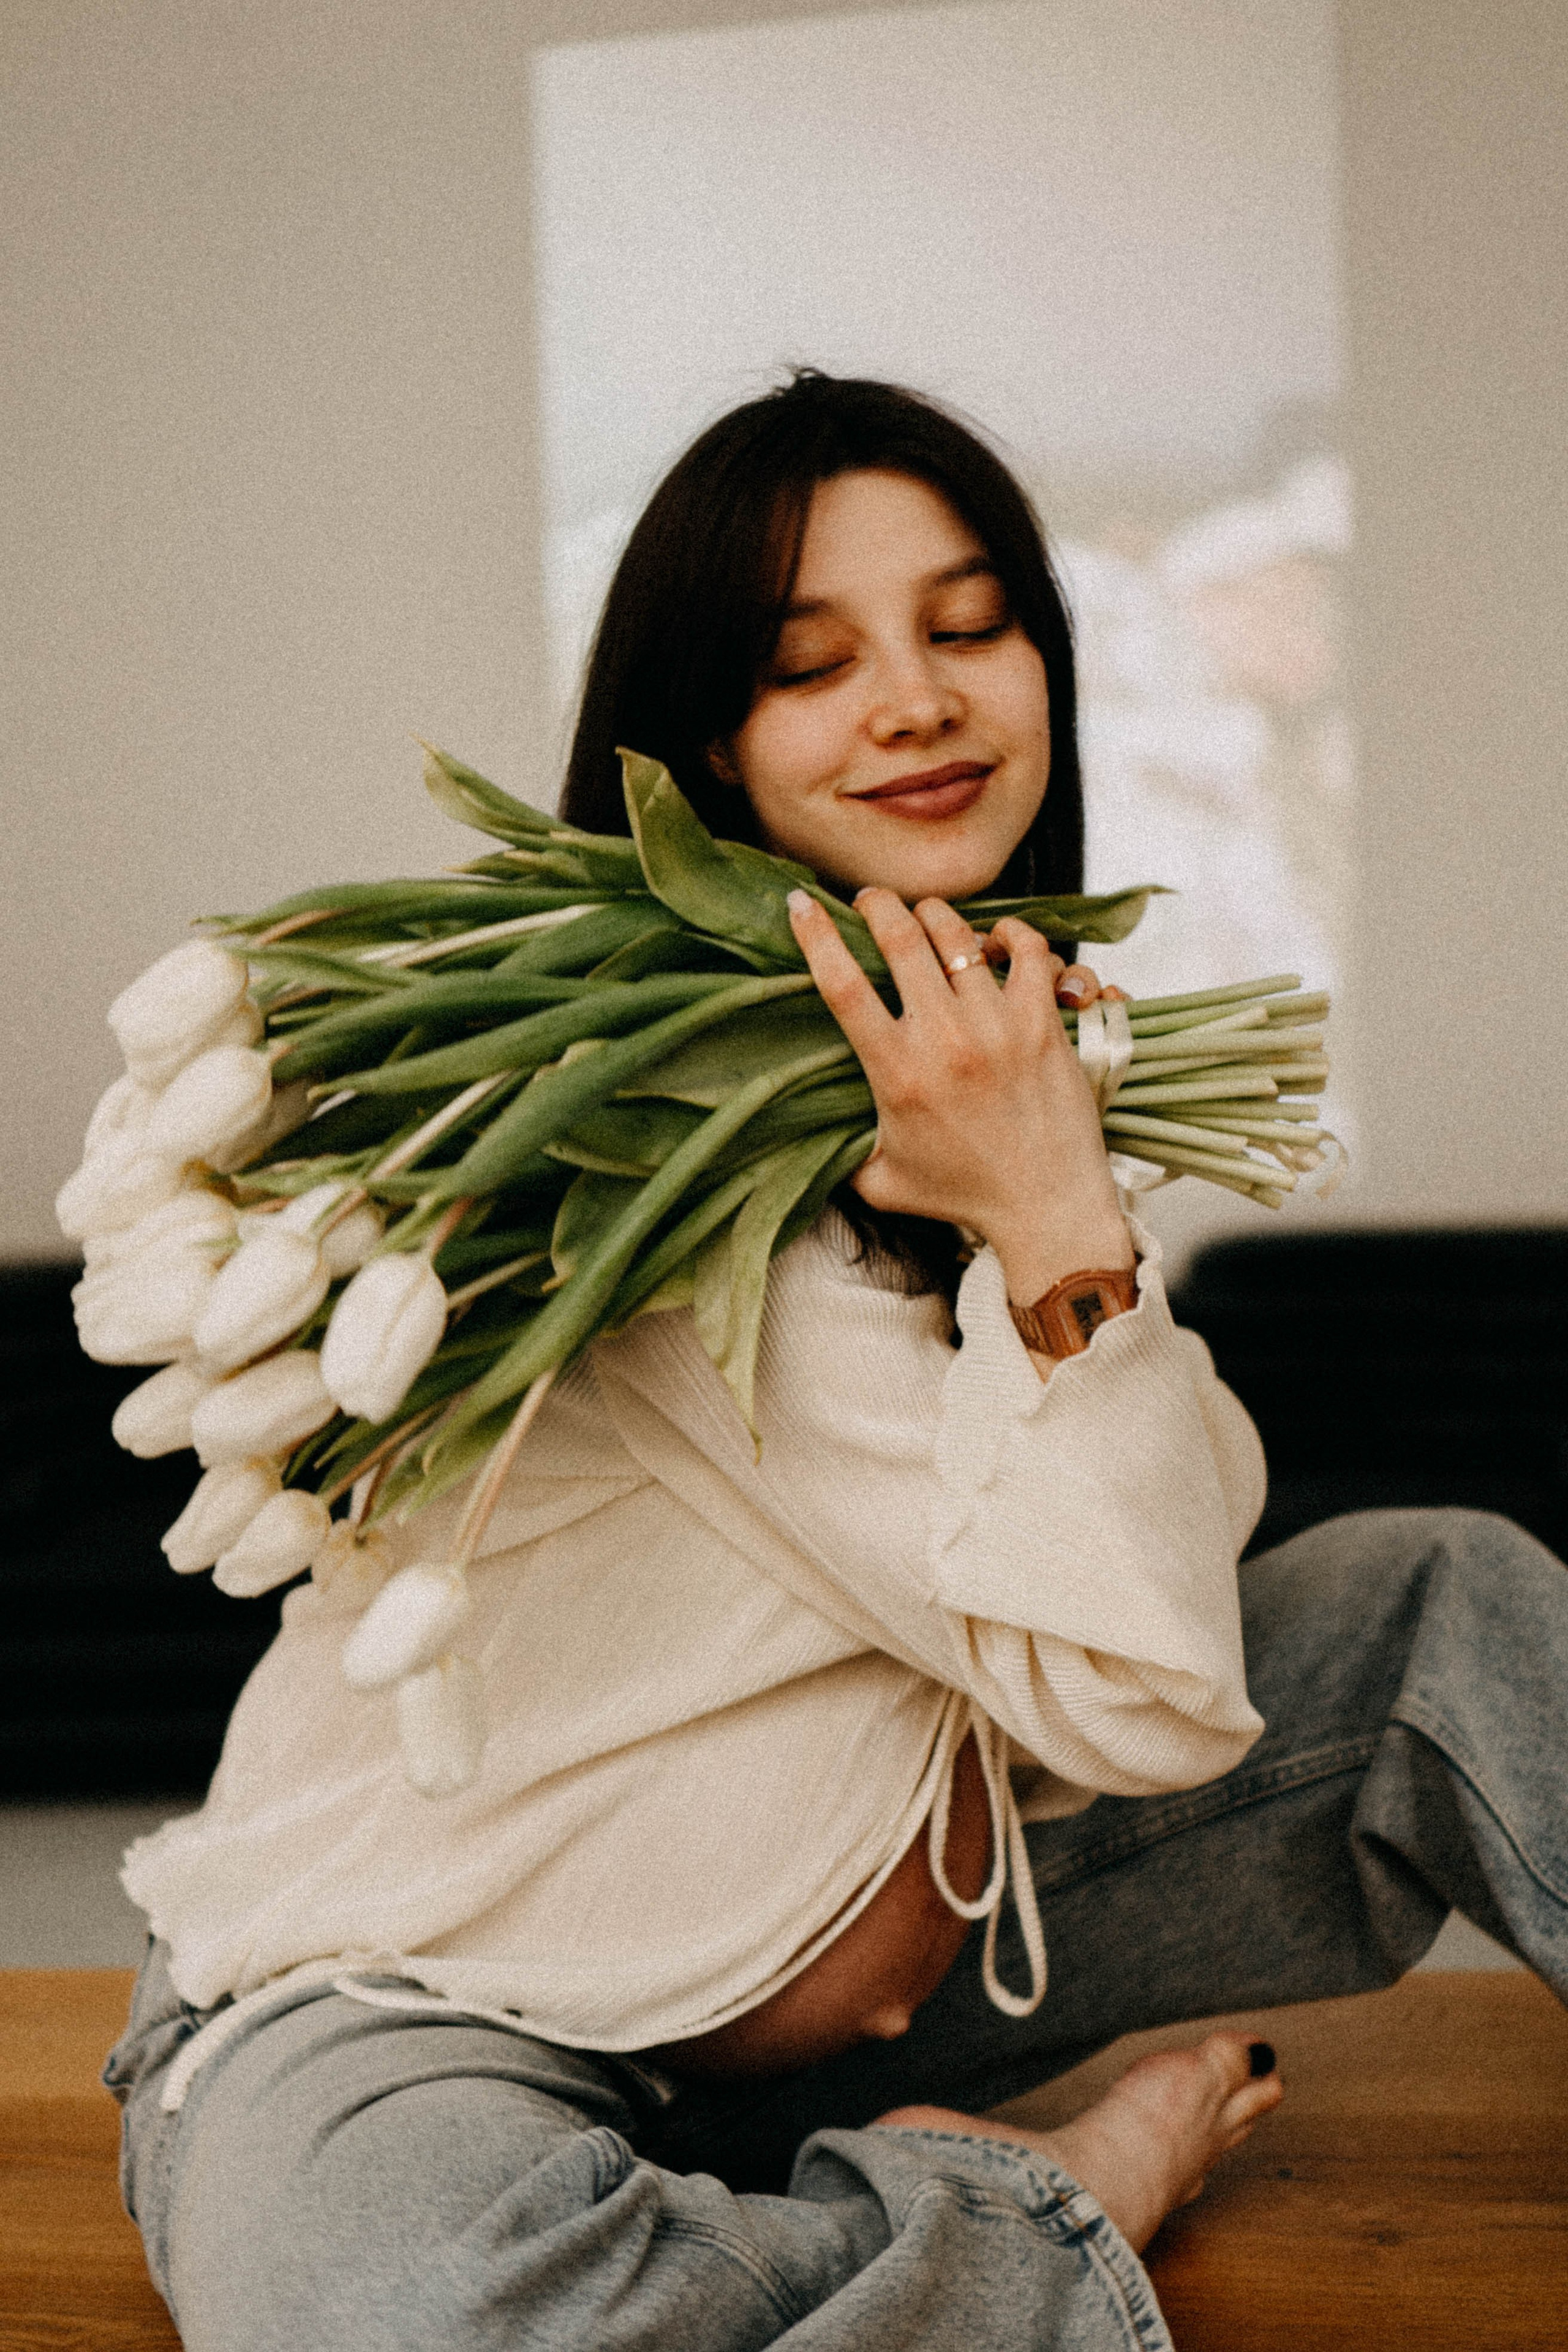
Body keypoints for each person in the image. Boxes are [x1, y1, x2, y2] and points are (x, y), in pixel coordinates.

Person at [105, 373, 1568, 2351]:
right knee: (415, 2312)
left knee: (1447, 1606)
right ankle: (1047, 2204)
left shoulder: (964, 1086)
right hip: (432, 2016)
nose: (920, 700)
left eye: (970, 630)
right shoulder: (634, 1149)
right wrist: (1050, 1224)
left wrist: (1048, 1197)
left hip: (912, 1935)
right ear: (708, 736)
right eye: (817, 662)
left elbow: (1189, 1561)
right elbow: (1137, 1691)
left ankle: (823, 2212)